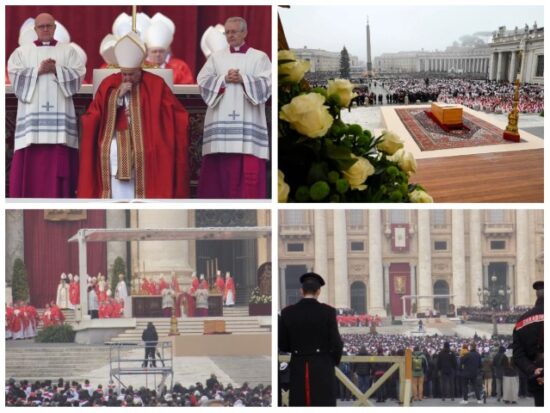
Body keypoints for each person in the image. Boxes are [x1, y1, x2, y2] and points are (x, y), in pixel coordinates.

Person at [77, 31, 190, 199]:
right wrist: (116, 98)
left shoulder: (155, 84)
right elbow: (92, 116)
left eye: (131, 74)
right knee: (113, 150)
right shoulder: (110, 84)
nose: (127, 78)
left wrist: (143, 113)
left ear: (140, 70)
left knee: (148, 151)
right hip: (114, 136)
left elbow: (176, 115)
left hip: (149, 136)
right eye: (124, 74)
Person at [7, 13, 86, 198]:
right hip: (32, 126)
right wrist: (38, 71)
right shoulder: (22, 52)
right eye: (41, 26)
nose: (45, 29)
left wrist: (56, 70)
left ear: (54, 28)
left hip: (59, 126)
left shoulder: (68, 51)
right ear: (35, 30)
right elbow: (15, 75)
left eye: (48, 26)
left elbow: (79, 74)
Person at [196, 16, 271, 198]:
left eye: (234, 32)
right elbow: (202, 81)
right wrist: (223, 79)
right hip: (221, 126)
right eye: (227, 32)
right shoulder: (216, 57)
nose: (230, 35)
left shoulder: (259, 57)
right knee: (218, 177)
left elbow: (267, 83)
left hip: (248, 126)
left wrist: (243, 79)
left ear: (244, 33)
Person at [279, 272, 343, 406]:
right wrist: (332, 361)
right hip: (323, 366)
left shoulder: (287, 312)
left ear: (301, 291)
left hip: (298, 365)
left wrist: (298, 349)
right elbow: (337, 343)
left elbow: (283, 344)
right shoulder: (328, 311)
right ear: (318, 292)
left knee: (299, 400)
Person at [512, 280, 544, 406]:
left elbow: (518, 355)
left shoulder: (522, 321)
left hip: (539, 376)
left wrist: (532, 369)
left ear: (537, 295)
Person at [144, 17, 195, 84]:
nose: (158, 54)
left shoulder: (179, 69)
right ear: (147, 52)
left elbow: (188, 90)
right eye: (154, 51)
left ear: (167, 51)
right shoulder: (140, 70)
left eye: (161, 51)